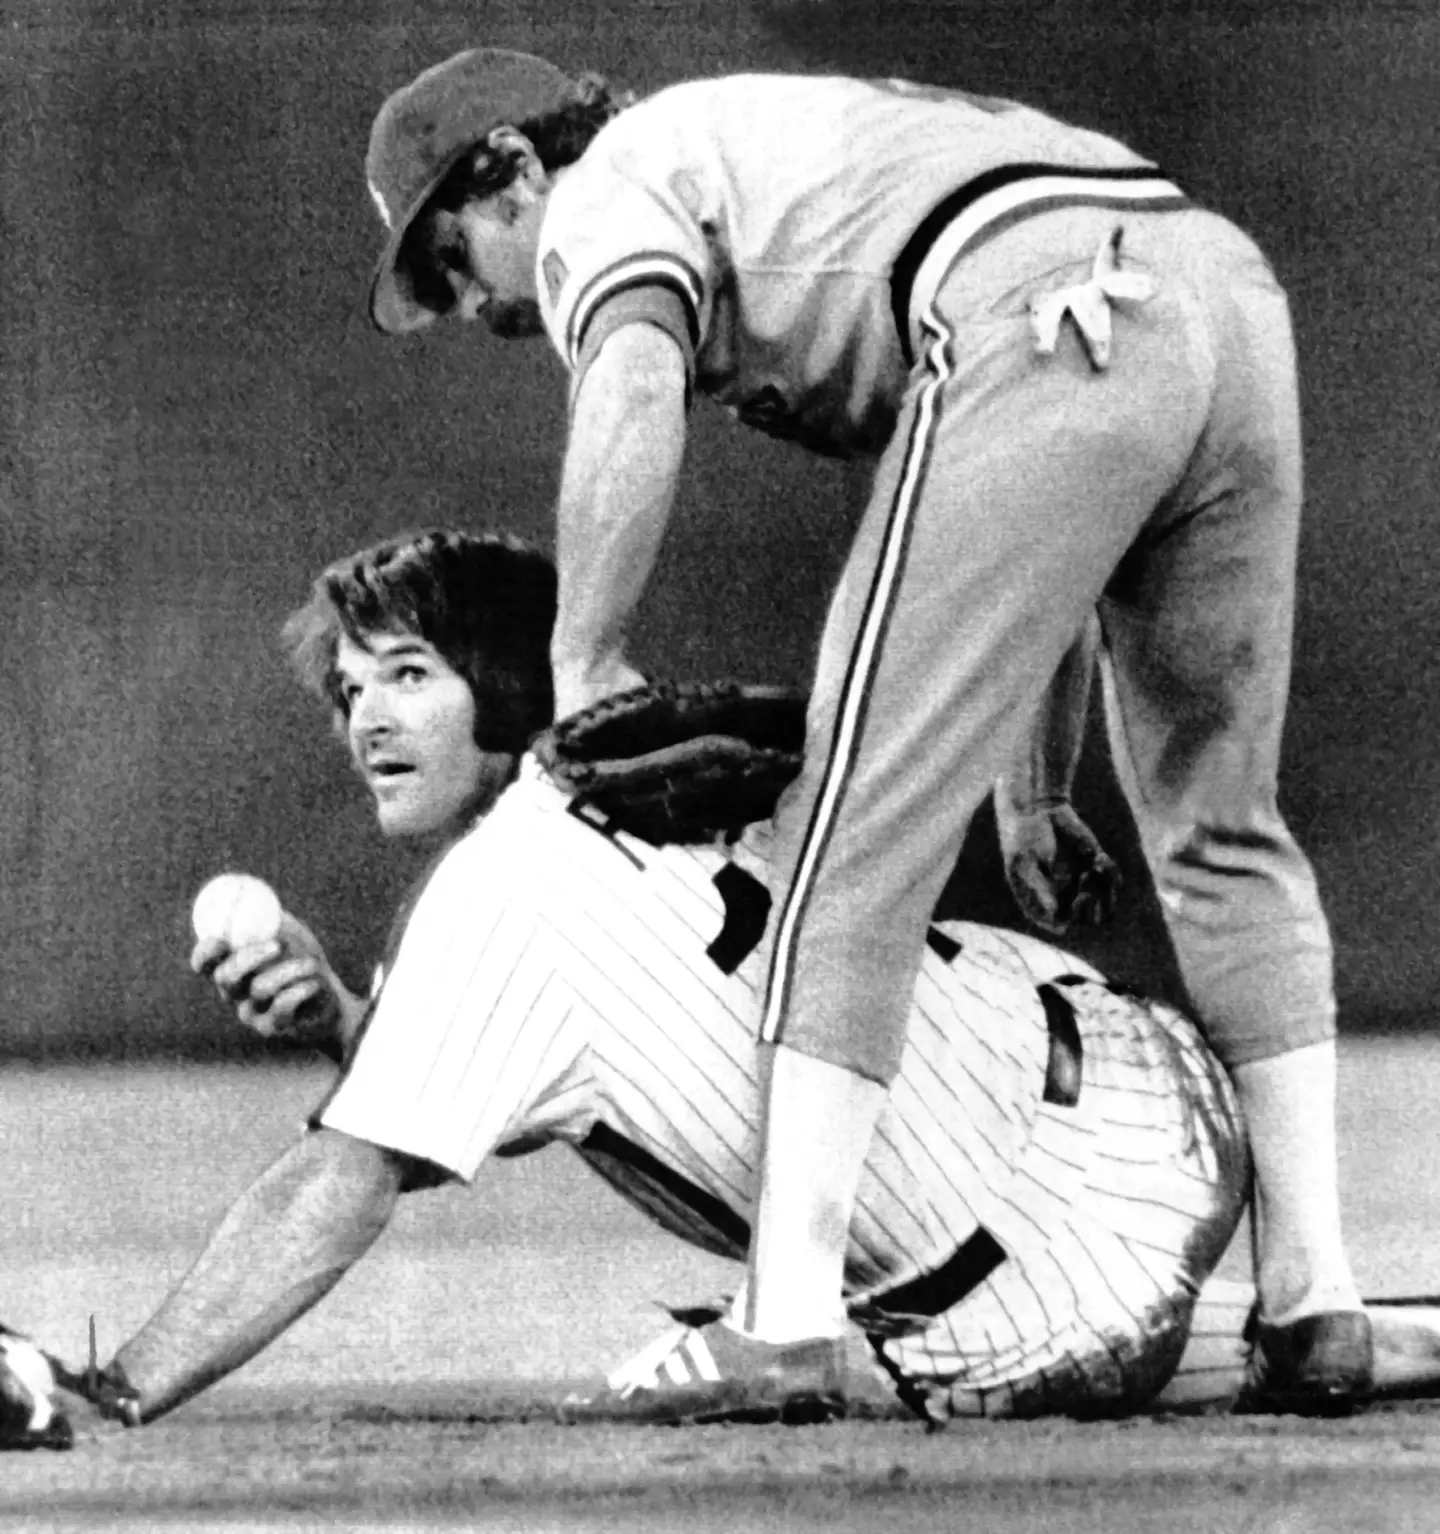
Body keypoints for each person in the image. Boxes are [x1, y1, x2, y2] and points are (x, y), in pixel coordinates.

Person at [360, 49, 1371, 1415]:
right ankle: (1318, 1303)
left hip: (1039, 304)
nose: (471, 301)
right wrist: (1032, 786)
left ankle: (785, 1318)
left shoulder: (609, 189)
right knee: (1222, 824)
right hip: (1214, 294)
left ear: (516, 165)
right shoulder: (769, 167)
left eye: (449, 252)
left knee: (845, 830)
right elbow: (1035, 502)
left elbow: (634, 387)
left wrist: (583, 651)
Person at [0, 526, 1374, 1449]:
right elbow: (536, 1059)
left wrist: (117, 1384)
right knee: (1237, 1349)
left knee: (649, 1392)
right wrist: (340, 1025)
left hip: (1049, 1299)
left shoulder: (494, 895)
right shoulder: (654, 766)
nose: (364, 717)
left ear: (500, 677)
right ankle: (1361, 1321)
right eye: (350, 688)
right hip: (1148, 1086)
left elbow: (341, 1181)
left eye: (408, 674)